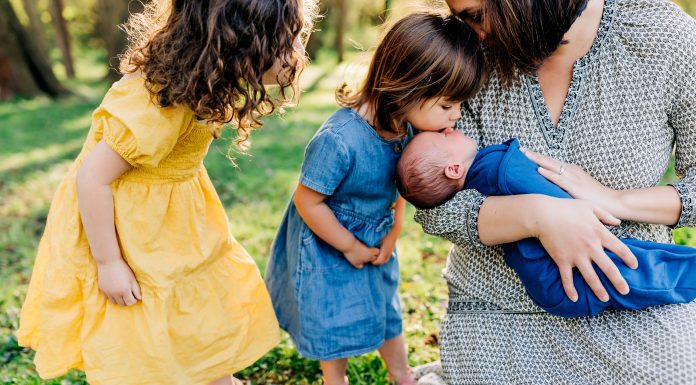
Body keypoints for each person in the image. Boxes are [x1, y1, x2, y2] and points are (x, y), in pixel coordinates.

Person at [15, 1, 316, 384]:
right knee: (146, 312)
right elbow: (92, 178)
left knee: (197, 301)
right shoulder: (160, 103)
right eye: (286, 42)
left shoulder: (200, 81)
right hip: (130, 227)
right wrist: (109, 262)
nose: (297, 55)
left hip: (174, 215)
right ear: (239, 43)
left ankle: (213, 376)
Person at [413, 0, 696, 383]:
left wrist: (616, 201)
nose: (474, 33)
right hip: (497, 307)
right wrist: (539, 216)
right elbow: (433, 202)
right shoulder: (465, 53)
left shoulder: (663, 37)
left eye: (477, 15)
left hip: (631, 297)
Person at [264, 12, 485, 385]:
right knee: (330, 316)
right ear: (408, 86)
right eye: (448, 106)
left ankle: (402, 374)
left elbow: (401, 182)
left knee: (385, 306)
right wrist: (348, 245)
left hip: (376, 233)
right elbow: (308, 202)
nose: (456, 117)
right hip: (327, 241)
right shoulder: (339, 139)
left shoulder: (408, 127)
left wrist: (396, 226)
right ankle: (335, 378)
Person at [397, 131, 696, 317]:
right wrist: (584, 209)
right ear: (453, 168)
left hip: (556, 281)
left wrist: (614, 199)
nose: (450, 128)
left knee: (644, 262)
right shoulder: (496, 169)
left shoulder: (487, 172)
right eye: (444, 137)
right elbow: (552, 199)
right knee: (644, 271)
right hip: (565, 282)